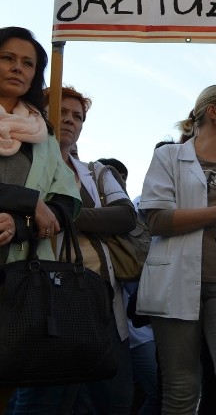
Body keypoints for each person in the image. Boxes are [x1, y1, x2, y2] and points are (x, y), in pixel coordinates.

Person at [18, 86, 139, 414]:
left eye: (78, 116)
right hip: (42, 303)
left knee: (112, 401)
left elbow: (126, 215)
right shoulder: (18, 162)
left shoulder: (97, 173)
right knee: (45, 403)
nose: (70, 120)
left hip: (99, 301)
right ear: (41, 114)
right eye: (63, 112)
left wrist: (59, 213)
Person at [137, 84, 216, 414]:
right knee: (181, 389)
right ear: (215, 111)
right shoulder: (168, 157)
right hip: (175, 282)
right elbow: (158, 220)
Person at [0, 27, 80, 411]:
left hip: (18, 278)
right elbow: (39, 199)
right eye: (8, 58)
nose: (18, 68)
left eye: (28, 63)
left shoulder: (42, 134)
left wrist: (20, 226)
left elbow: (67, 201)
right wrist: (27, 199)